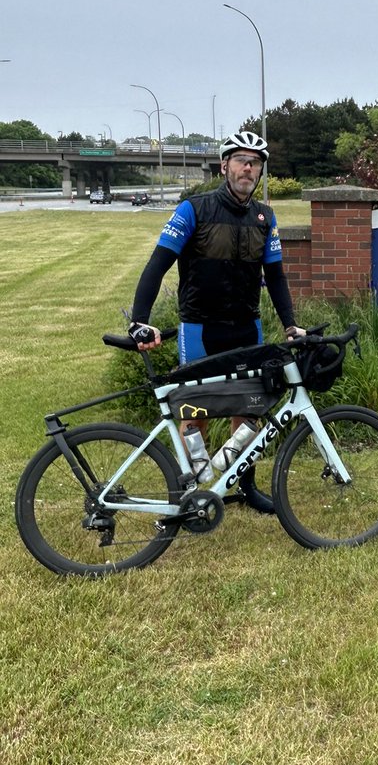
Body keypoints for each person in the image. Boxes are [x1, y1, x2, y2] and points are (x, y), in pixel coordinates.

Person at [128, 130, 303, 514]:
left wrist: (289, 323)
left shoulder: (265, 217)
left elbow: (275, 277)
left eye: (255, 163)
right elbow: (158, 264)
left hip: (247, 326)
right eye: (241, 160)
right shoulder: (194, 209)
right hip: (200, 327)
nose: (248, 168)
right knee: (196, 411)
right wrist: (139, 319)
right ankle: (192, 490)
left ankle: (244, 485)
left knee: (250, 409)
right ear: (224, 165)